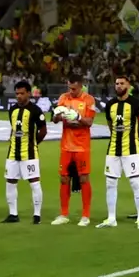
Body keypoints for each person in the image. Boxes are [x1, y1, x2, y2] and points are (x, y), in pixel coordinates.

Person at [98, 75, 139, 228]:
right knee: (110, 183)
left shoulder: (136, 103)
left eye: (122, 83)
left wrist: (134, 139)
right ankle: (111, 218)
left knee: (135, 183)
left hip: (131, 150)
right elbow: (110, 126)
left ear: (128, 85)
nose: (118, 86)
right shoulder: (110, 105)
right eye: (117, 83)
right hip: (113, 150)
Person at [52, 74, 97, 227]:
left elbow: (89, 122)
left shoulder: (88, 100)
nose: (71, 91)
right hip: (66, 145)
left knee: (84, 179)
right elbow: (55, 120)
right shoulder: (63, 98)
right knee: (64, 179)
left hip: (81, 146)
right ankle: (64, 214)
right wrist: (57, 114)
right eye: (69, 88)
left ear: (80, 86)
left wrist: (77, 117)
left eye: (74, 88)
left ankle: (85, 215)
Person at [4, 80, 47, 224]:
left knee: (34, 183)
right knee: (10, 182)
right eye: (17, 94)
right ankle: (13, 214)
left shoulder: (35, 110)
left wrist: (33, 143)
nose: (19, 96)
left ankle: (37, 215)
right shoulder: (12, 110)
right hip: (12, 153)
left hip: (29, 154)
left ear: (28, 93)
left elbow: (43, 130)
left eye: (22, 93)